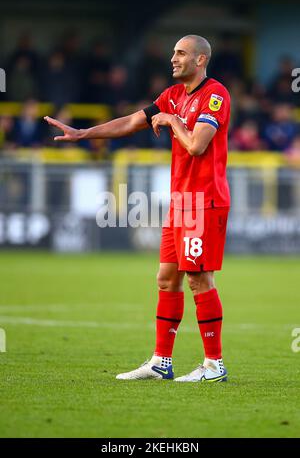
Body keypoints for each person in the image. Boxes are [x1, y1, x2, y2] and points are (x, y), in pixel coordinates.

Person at [44, 35, 231, 383]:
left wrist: (173, 121)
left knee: (199, 278)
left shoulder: (215, 95)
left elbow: (196, 145)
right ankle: (162, 362)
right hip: (180, 202)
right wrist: (84, 134)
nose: (173, 58)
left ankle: (213, 365)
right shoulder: (172, 96)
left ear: (201, 60)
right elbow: (132, 122)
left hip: (204, 200)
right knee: (166, 278)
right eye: (173, 52)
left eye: (181, 53)